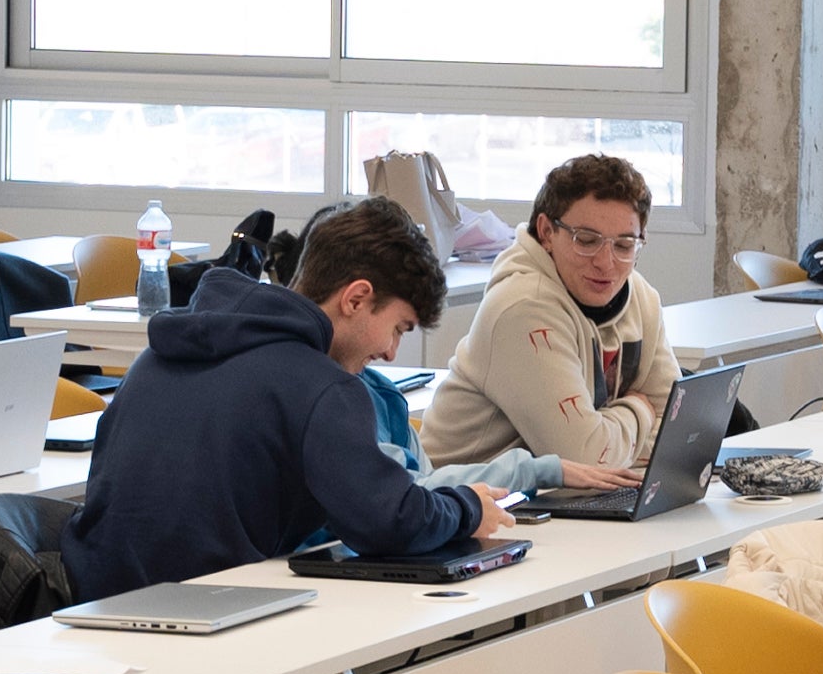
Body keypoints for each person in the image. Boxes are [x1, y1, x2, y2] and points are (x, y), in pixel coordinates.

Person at [62, 197, 517, 606]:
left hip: (92, 606)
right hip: (210, 619)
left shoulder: (161, 353)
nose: (391, 352)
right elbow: (390, 521)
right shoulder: (322, 388)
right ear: (356, 298)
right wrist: (467, 507)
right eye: (398, 327)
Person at [421, 152, 683, 476]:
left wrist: (609, 435)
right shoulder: (522, 308)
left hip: (555, 502)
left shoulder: (640, 296)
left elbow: (678, 431)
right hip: (466, 508)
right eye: (586, 240)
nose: (606, 262)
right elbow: (585, 461)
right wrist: (639, 410)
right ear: (546, 232)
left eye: (625, 245)